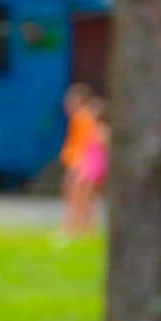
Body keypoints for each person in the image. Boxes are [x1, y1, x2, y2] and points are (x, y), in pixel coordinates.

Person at [61, 83, 106, 235]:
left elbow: (93, 140)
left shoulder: (82, 117)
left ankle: (75, 226)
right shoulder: (81, 117)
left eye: (70, 99)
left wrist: (82, 162)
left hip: (82, 162)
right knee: (82, 196)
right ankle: (83, 226)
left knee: (78, 196)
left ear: (80, 100)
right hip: (81, 161)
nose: (66, 103)